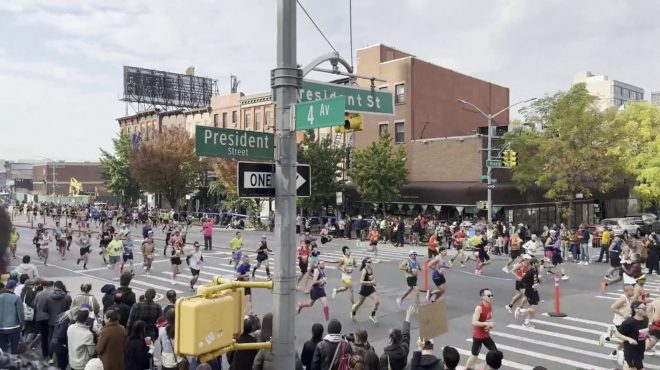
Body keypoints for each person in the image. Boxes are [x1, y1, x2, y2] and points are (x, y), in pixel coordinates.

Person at [464, 288, 497, 370]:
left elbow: (489, 319)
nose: (491, 297)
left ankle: (484, 367)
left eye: (492, 295)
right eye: (489, 296)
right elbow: (474, 322)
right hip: (478, 337)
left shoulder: (490, 306)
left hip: (486, 336)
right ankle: (465, 368)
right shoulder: (479, 308)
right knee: (474, 356)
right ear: (482, 297)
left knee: (494, 353)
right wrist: (486, 324)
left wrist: (490, 325)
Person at [599, 284, 634, 358]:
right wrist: (623, 315)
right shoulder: (623, 298)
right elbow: (613, 307)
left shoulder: (629, 298)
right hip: (620, 322)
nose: (633, 292)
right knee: (625, 339)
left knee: (625, 340)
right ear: (627, 291)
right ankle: (606, 337)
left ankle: (614, 353)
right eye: (632, 290)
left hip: (625, 322)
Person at [614, 301, 649, 370]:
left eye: (645, 307)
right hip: (631, 350)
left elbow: (641, 332)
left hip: (640, 349)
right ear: (636, 310)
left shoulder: (645, 320)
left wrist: (647, 335)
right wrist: (629, 339)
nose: (645, 309)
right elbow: (617, 333)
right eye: (643, 308)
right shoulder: (629, 322)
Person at [379, 305, 414, 370]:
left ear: (390, 339)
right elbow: (406, 334)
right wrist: (408, 317)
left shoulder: (385, 357)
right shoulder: (404, 348)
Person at [514, 258, 541, 328]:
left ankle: (526, 323)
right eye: (537, 262)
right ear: (533, 264)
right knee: (534, 309)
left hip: (534, 291)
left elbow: (536, 280)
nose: (538, 264)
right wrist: (530, 286)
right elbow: (523, 280)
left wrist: (538, 281)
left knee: (534, 309)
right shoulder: (531, 271)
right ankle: (520, 311)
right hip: (531, 291)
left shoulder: (535, 270)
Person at [351, 257, 379, 323]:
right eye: (369, 262)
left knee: (377, 302)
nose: (370, 263)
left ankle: (372, 316)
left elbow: (371, 277)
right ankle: (353, 313)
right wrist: (369, 282)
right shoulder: (364, 270)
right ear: (365, 263)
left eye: (371, 262)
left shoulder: (371, 269)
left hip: (371, 288)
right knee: (359, 303)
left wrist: (373, 281)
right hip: (364, 289)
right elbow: (361, 281)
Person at [0, 280, 24, 354]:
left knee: (3, 349)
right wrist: (22, 325)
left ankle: (4, 364)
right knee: (14, 348)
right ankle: (13, 363)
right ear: (14, 287)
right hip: (14, 327)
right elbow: (20, 313)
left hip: (1, 327)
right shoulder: (16, 298)